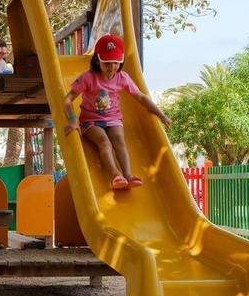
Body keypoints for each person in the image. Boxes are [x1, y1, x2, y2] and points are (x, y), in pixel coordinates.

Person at [63, 34, 171, 190]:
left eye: (115, 62)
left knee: (119, 140)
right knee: (104, 142)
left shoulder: (122, 77)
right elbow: (67, 100)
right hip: (91, 121)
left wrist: (161, 115)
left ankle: (128, 175)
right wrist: (73, 119)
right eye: (107, 63)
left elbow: (141, 97)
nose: (112, 67)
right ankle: (115, 175)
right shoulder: (88, 77)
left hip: (113, 119)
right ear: (97, 60)